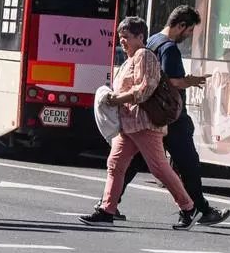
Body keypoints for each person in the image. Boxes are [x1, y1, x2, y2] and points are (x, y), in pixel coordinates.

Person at [114, 6, 230, 226]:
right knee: (187, 164)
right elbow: (169, 81)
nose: (189, 36)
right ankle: (199, 209)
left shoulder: (152, 41)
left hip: (149, 115)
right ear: (181, 25)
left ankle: (109, 204)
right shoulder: (169, 48)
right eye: (189, 31)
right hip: (171, 117)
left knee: (133, 161)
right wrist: (190, 81)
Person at [79, 17, 198, 230]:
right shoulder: (130, 59)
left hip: (144, 123)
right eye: (120, 37)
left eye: (126, 37)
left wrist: (116, 99)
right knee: (115, 164)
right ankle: (107, 210)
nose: (122, 41)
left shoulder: (144, 55)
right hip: (128, 125)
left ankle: (189, 208)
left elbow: (145, 88)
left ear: (140, 37)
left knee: (159, 168)